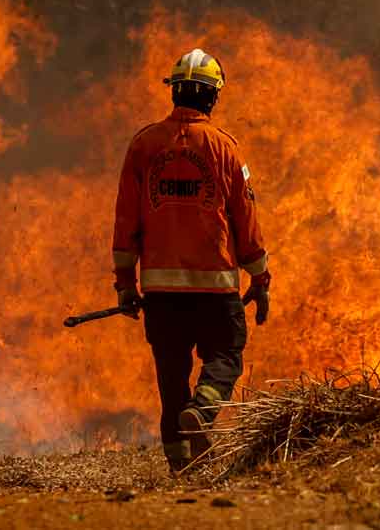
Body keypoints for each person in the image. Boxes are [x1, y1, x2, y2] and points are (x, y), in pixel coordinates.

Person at [111, 49, 271, 472]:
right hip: (215, 288)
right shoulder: (225, 148)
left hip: (161, 292)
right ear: (212, 97)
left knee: (171, 377)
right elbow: (245, 217)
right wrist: (259, 275)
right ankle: (204, 410)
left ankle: (181, 465)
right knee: (226, 354)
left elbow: (125, 219)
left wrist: (126, 283)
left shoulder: (143, 145)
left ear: (175, 92)